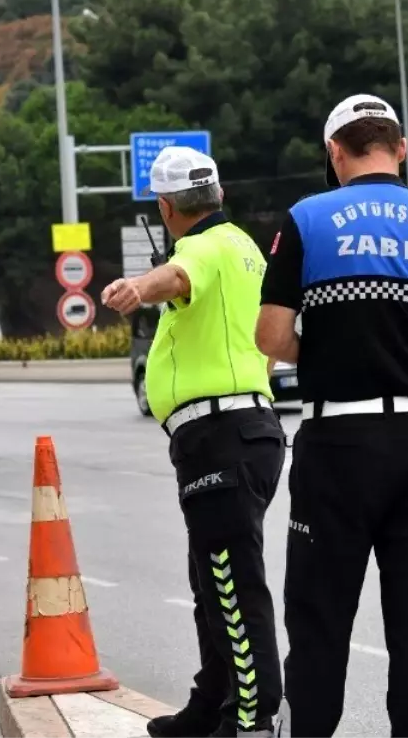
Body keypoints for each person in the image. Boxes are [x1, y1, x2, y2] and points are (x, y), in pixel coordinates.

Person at [256, 94, 408, 738]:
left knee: (319, 625)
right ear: (400, 149)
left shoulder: (307, 221)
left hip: (337, 443)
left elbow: (271, 336)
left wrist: (331, 352)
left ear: (335, 154)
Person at [102, 145, 287, 738]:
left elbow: (177, 277)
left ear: (165, 206)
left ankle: (255, 719)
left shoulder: (202, 249)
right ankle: (211, 706)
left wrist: (138, 285)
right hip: (244, 431)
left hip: (220, 434)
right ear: (219, 194)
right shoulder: (246, 247)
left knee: (232, 583)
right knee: (213, 581)